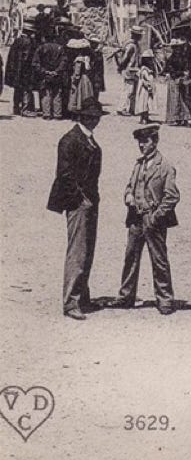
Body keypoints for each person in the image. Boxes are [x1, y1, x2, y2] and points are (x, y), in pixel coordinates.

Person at [108, 124, 179, 315]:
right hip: (135, 218)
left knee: (159, 259)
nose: (141, 145)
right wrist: (128, 195)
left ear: (155, 142)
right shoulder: (138, 164)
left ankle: (165, 299)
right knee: (130, 257)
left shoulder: (165, 166)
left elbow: (172, 196)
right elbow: (130, 185)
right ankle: (126, 296)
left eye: (145, 141)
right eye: (139, 142)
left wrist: (156, 216)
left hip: (153, 219)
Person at [46, 97, 105, 319]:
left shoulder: (89, 140)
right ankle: (71, 302)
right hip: (78, 203)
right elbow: (65, 176)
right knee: (77, 252)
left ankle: (82, 296)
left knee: (87, 250)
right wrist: (80, 200)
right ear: (82, 117)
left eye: (97, 117)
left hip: (90, 202)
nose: (95, 121)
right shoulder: (70, 140)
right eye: (91, 117)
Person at [5, 16, 37, 116]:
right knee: (27, 89)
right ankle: (26, 109)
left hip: (15, 69)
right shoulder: (29, 42)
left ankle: (16, 108)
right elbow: (26, 58)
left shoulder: (17, 40)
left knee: (17, 89)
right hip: (24, 70)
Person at [33, 29, 68, 120]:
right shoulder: (60, 48)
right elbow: (64, 62)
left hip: (45, 75)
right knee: (57, 94)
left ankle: (47, 114)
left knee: (46, 94)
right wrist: (57, 71)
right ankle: (57, 114)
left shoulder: (41, 48)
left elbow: (36, 63)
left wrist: (44, 71)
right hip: (57, 75)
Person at [163, 40, 191, 126]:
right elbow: (168, 69)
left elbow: (185, 68)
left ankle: (183, 118)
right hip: (174, 80)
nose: (178, 49)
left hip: (180, 80)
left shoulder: (182, 58)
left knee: (182, 99)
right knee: (176, 100)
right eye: (176, 48)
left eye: (179, 47)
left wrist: (183, 74)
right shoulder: (172, 58)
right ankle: (177, 118)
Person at [116, 27, 142, 116]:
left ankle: (132, 109)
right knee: (128, 90)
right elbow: (125, 58)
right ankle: (121, 108)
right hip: (130, 70)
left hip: (134, 70)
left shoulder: (135, 45)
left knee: (133, 91)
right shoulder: (131, 45)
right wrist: (121, 66)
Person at [67, 38, 96, 113]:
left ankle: (77, 109)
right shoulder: (87, 58)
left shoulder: (79, 59)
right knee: (86, 93)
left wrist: (74, 79)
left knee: (78, 94)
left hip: (80, 79)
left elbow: (77, 72)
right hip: (86, 78)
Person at [134, 53, 157, 124]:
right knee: (143, 103)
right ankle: (143, 119)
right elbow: (145, 80)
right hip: (144, 89)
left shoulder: (147, 69)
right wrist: (149, 85)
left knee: (146, 103)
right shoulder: (144, 70)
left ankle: (145, 117)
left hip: (146, 89)